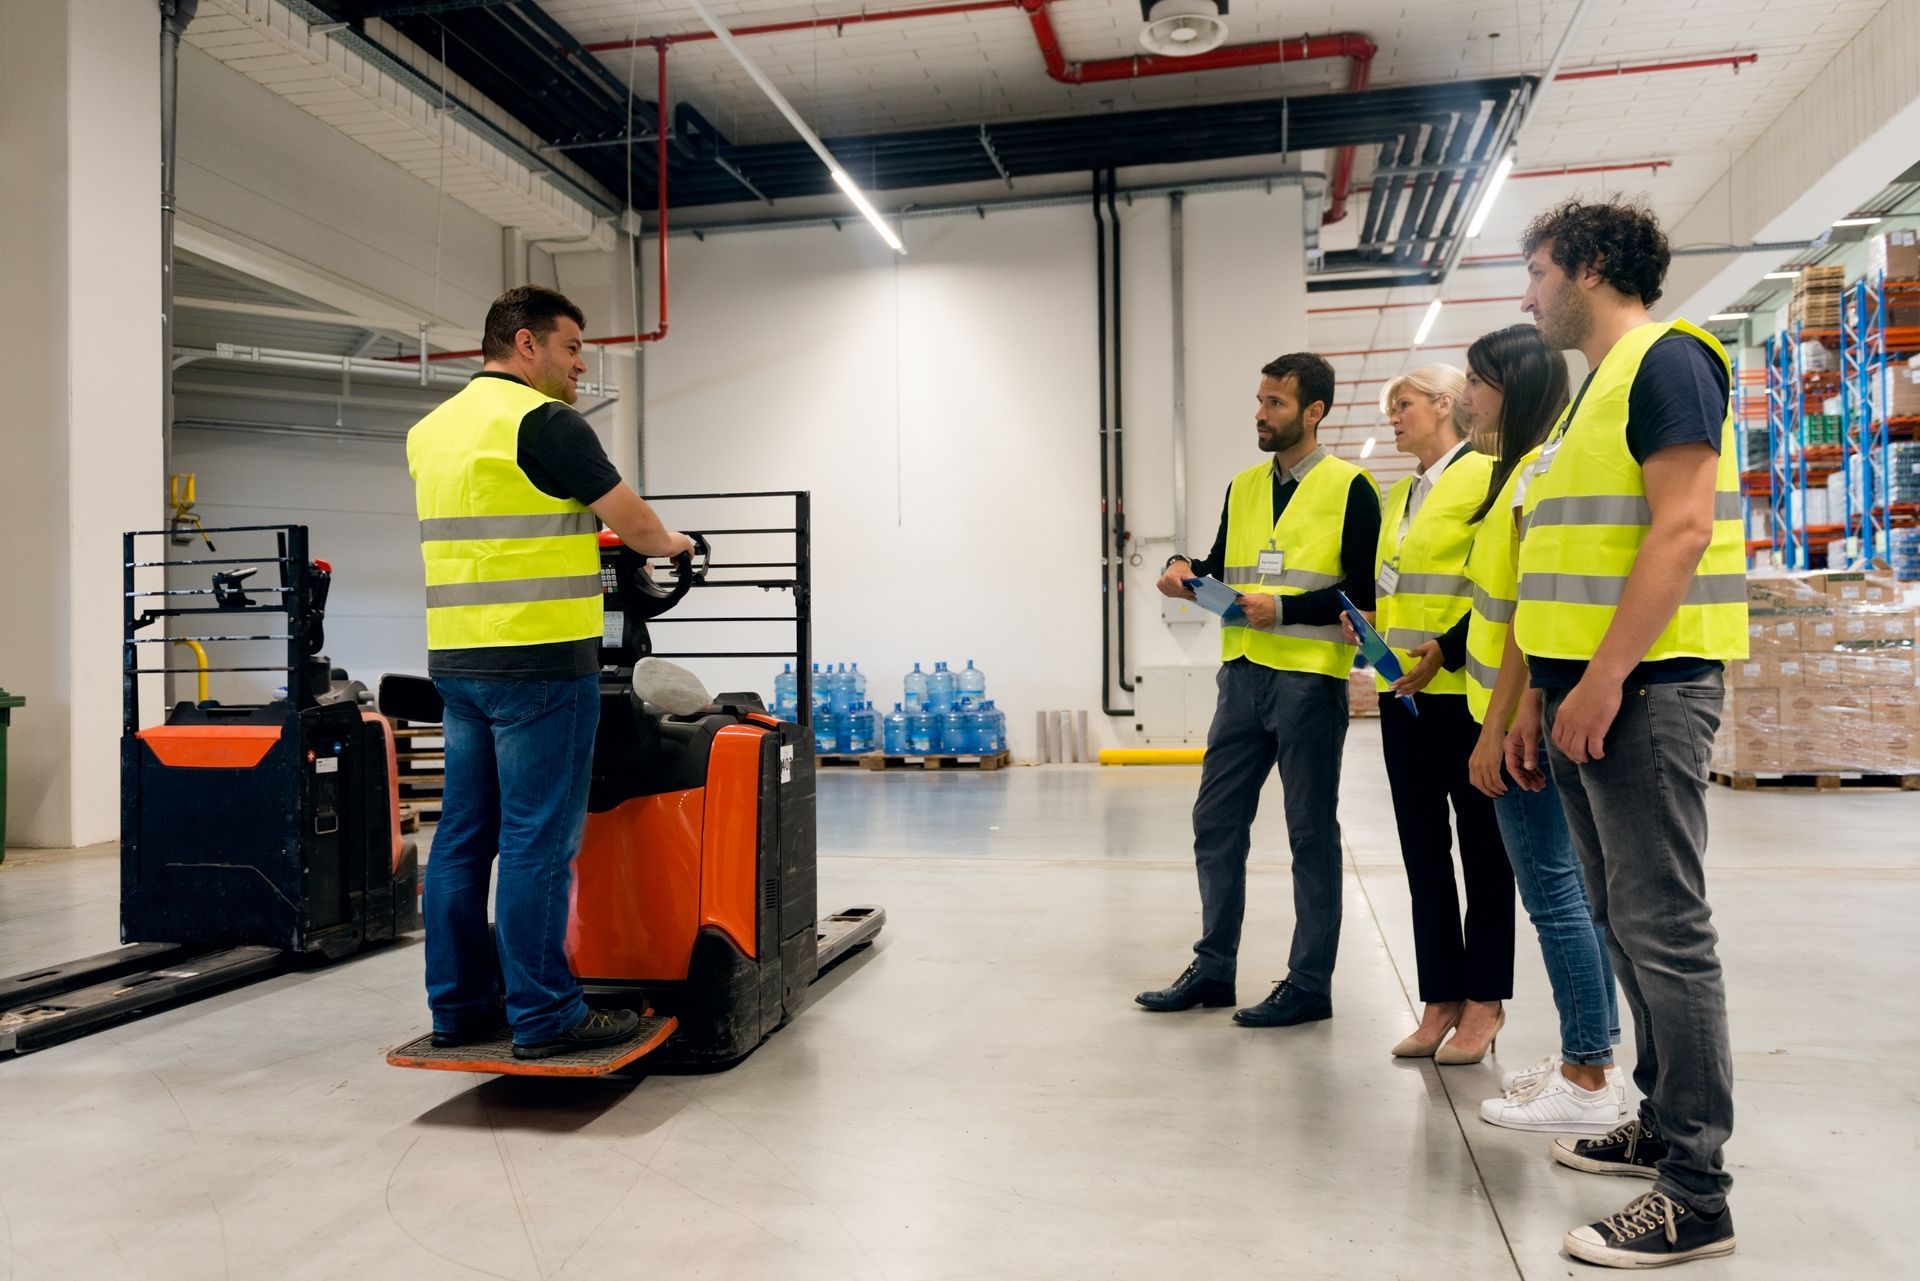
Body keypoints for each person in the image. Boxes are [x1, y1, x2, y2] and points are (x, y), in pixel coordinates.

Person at [1510, 198, 1747, 1268]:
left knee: (1665, 931)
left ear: (1593, 266)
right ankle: (1659, 1119)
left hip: (1643, 690)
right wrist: (1542, 691)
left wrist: (1604, 678)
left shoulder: (1668, 361)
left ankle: (1696, 1193)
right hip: (1588, 693)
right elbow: (1563, 563)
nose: (1529, 295)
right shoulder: (1588, 397)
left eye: (1538, 272)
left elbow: (1682, 528)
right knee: (1619, 919)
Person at [407, 285, 695, 1060]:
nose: (579, 368)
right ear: (526, 343)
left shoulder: (430, 432)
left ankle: (461, 1007)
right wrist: (674, 544)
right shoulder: (545, 422)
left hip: (458, 663)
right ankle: (545, 1015)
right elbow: (635, 523)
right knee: (536, 841)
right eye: (571, 349)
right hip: (540, 665)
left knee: (462, 839)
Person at [1140, 353, 1381, 1027]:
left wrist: (1288, 609)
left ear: (1314, 412)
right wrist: (1182, 570)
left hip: (1309, 682)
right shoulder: (1243, 486)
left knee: (1310, 833)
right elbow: (1222, 567)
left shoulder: (1352, 487)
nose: (1260, 413)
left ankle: (1309, 984)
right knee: (1215, 821)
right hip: (1241, 676)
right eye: (1260, 400)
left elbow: (1364, 594)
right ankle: (1214, 968)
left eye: (1275, 403)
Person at [1429, 326, 1627, 1134]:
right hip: (1508, 711)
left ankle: (1588, 1072)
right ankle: (1592, 1053)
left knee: (1552, 890)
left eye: (1477, 383)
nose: (1467, 399)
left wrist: (1499, 725)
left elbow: (1520, 617)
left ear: (1513, 388)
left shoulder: (1532, 477)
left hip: (1515, 721)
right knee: (1565, 888)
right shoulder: (1520, 474)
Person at [1349, 365, 1513, 1065]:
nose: (1394, 417)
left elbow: (1497, 590)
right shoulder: (1400, 493)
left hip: (1465, 694)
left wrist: (1443, 650)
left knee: (1484, 851)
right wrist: (1371, 635)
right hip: (1405, 695)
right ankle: (1440, 996)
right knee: (1422, 851)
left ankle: (1485, 1000)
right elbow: (1396, 586)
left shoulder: (1486, 477)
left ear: (1446, 404)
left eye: (1404, 404)